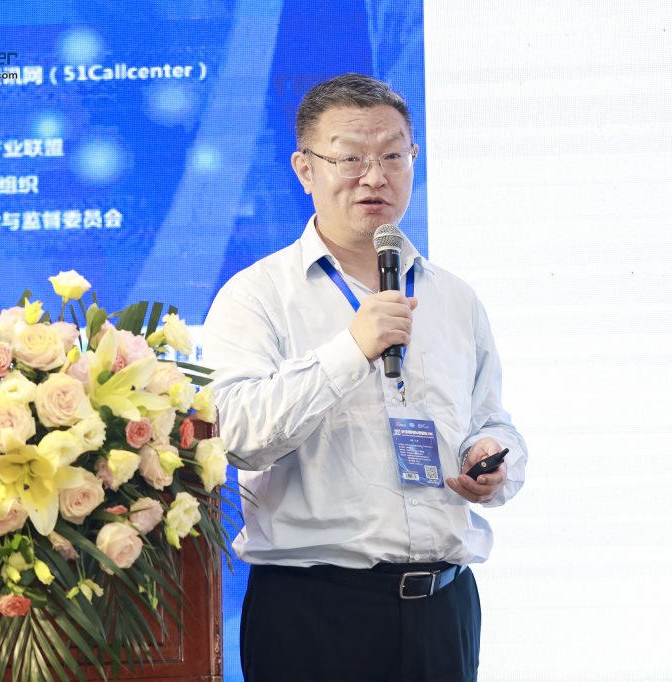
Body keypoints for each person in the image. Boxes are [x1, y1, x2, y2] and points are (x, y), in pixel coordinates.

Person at [203, 73, 527, 682]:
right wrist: (352, 349)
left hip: (445, 608)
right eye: (350, 158)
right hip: (315, 612)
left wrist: (490, 458)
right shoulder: (257, 295)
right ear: (305, 169)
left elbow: (491, 418)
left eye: (392, 156)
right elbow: (236, 436)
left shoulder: (454, 298)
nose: (374, 177)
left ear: (413, 160)